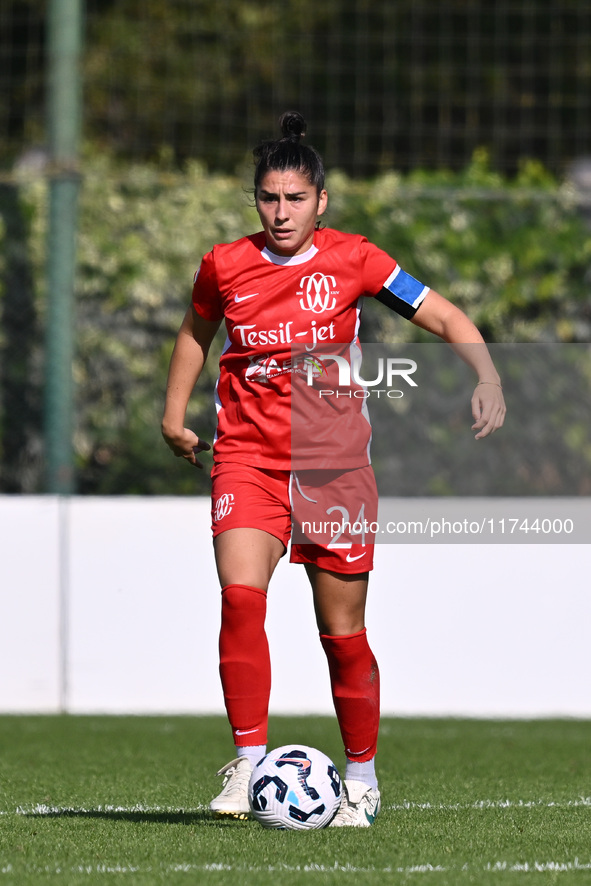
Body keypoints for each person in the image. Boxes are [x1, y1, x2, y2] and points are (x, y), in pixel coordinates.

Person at [161, 111, 506, 827]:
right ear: (255, 199)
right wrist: (173, 413)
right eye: (267, 198)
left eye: (294, 199)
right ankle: (248, 764)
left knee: (341, 635)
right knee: (240, 598)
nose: (280, 212)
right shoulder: (224, 263)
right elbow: (195, 333)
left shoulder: (356, 260)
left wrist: (485, 374)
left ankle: (360, 781)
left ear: (321, 201)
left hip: (333, 470)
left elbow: (441, 315)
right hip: (247, 459)